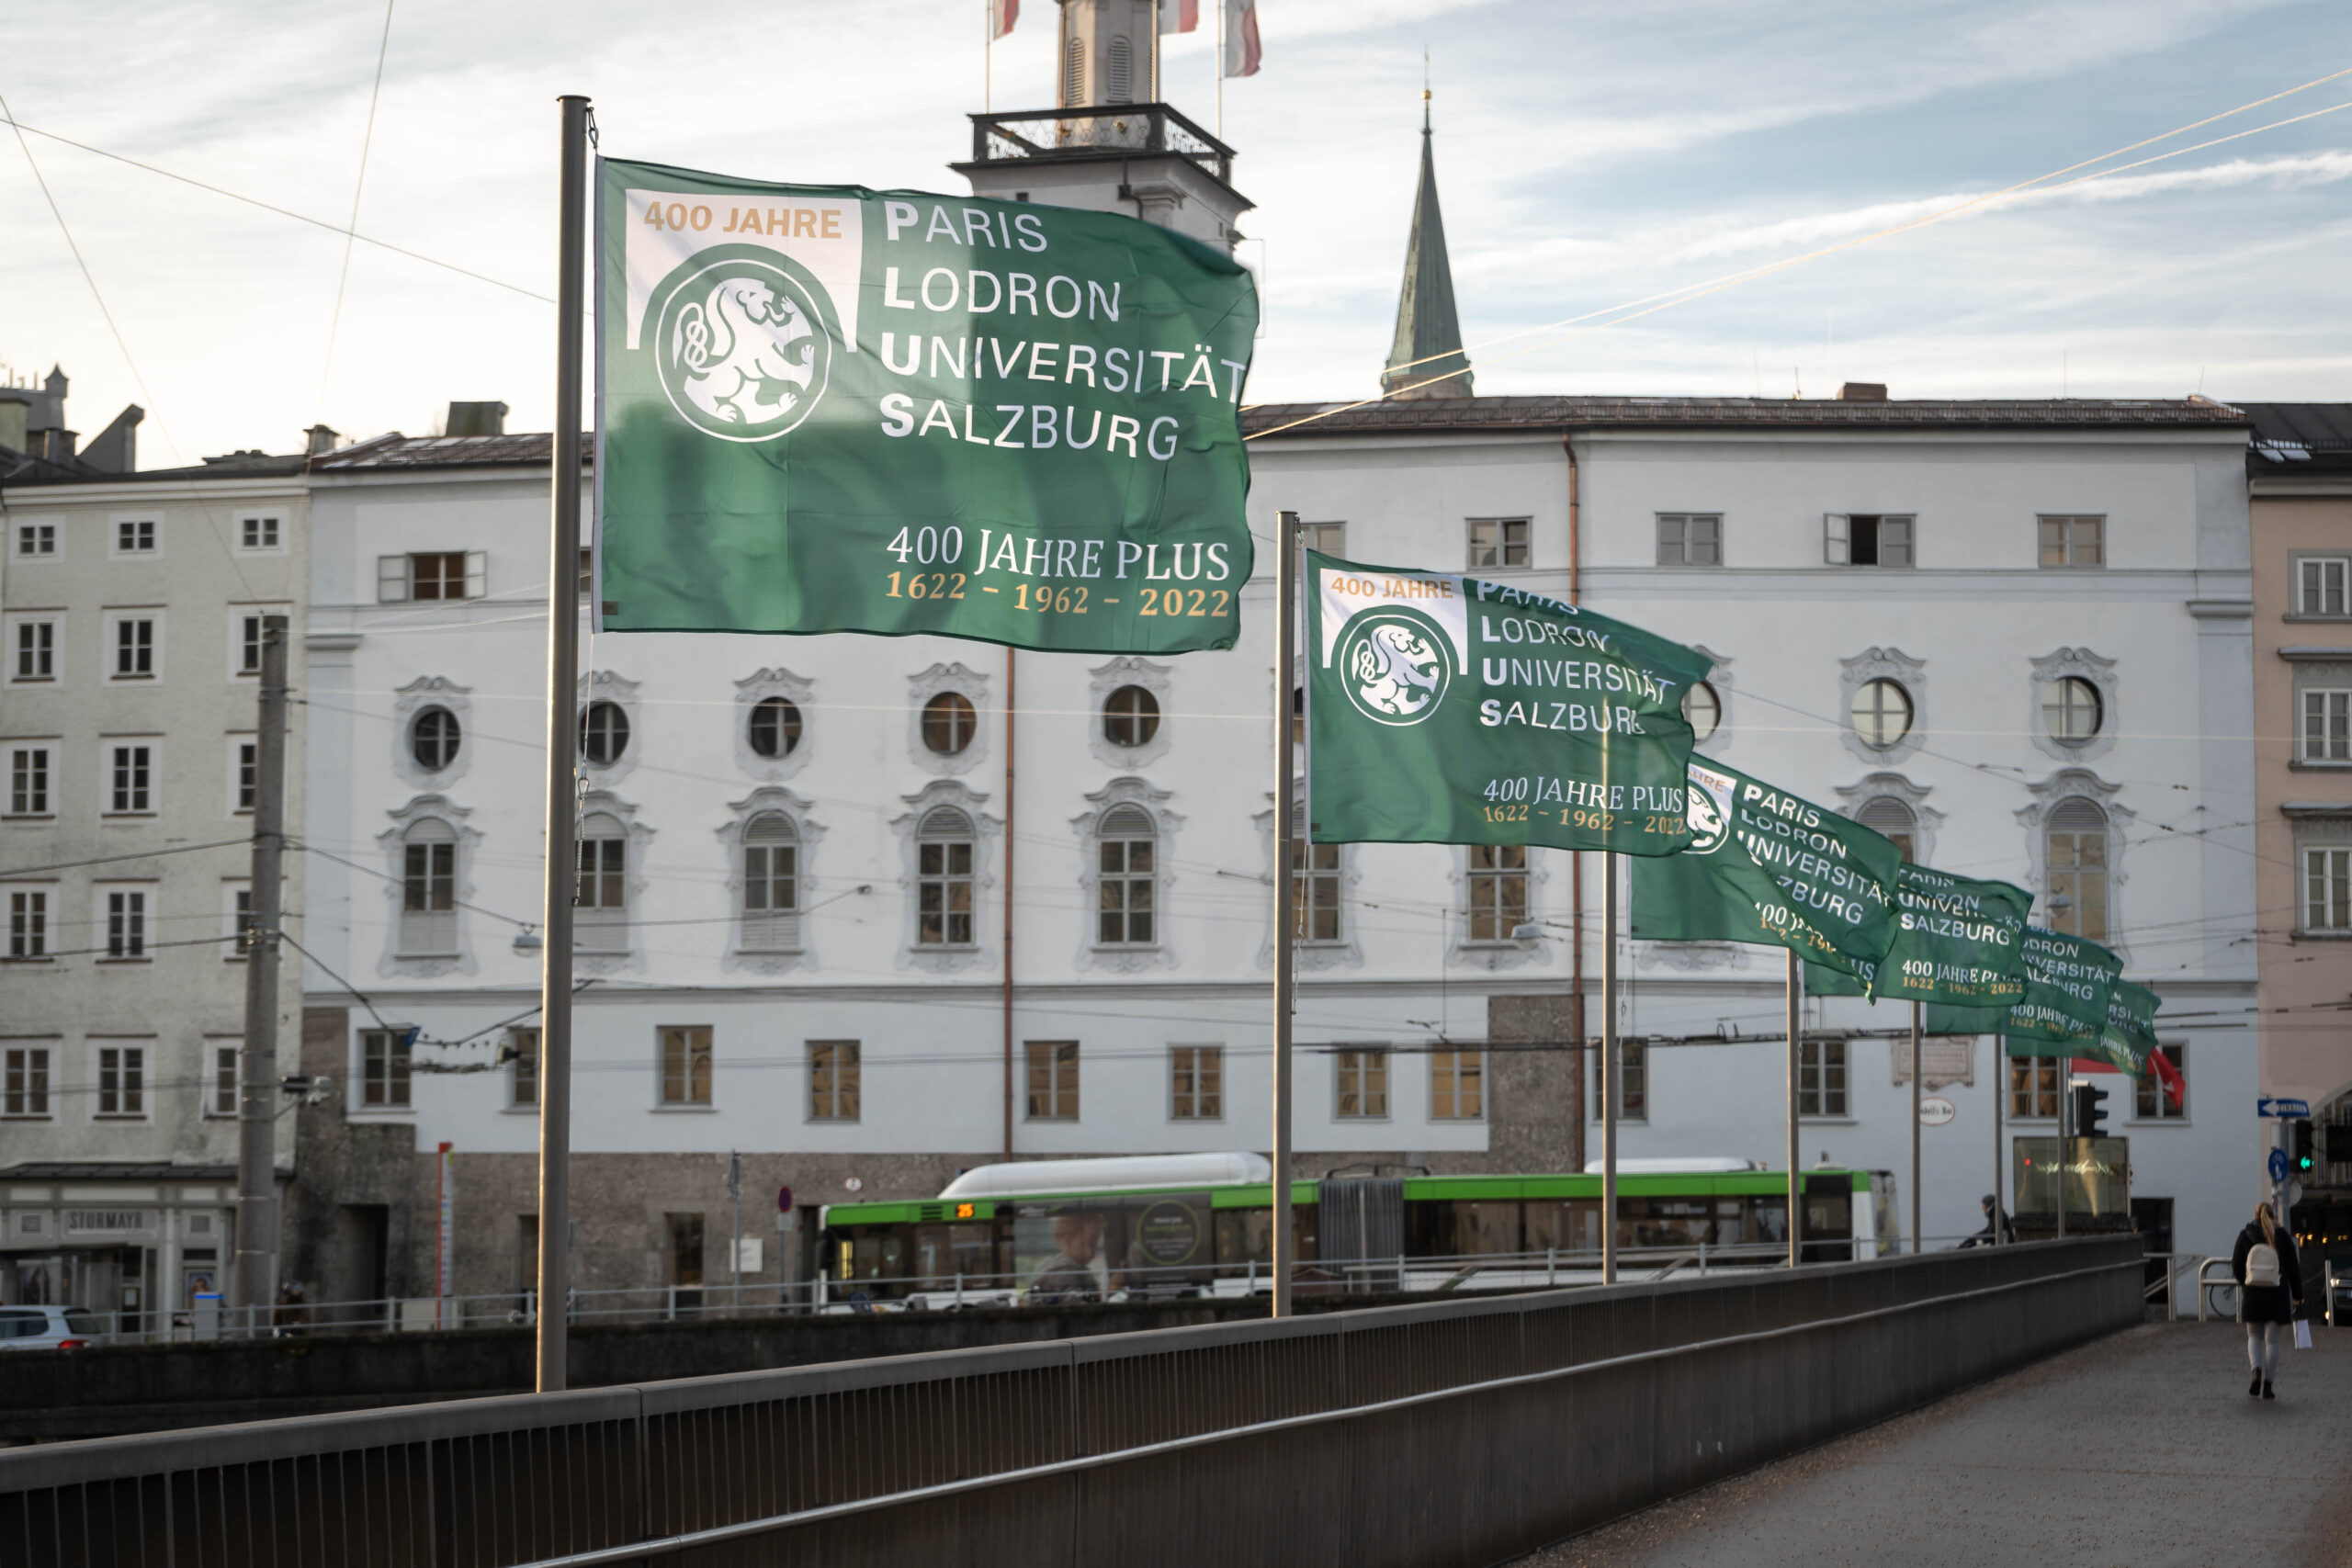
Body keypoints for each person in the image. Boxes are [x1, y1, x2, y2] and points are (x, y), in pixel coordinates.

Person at [2231, 1201, 2304, 1400]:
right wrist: (2298, 1295)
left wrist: (2245, 1283)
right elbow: (2293, 1268)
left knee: (2254, 1337)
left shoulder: (2245, 1235)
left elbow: (2236, 1264)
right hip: (2277, 1294)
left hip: (2253, 1293)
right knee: (2272, 1341)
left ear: (2255, 1216)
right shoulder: (2282, 1236)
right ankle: (2268, 1385)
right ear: (2274, 1216)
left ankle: (2256, 1370)